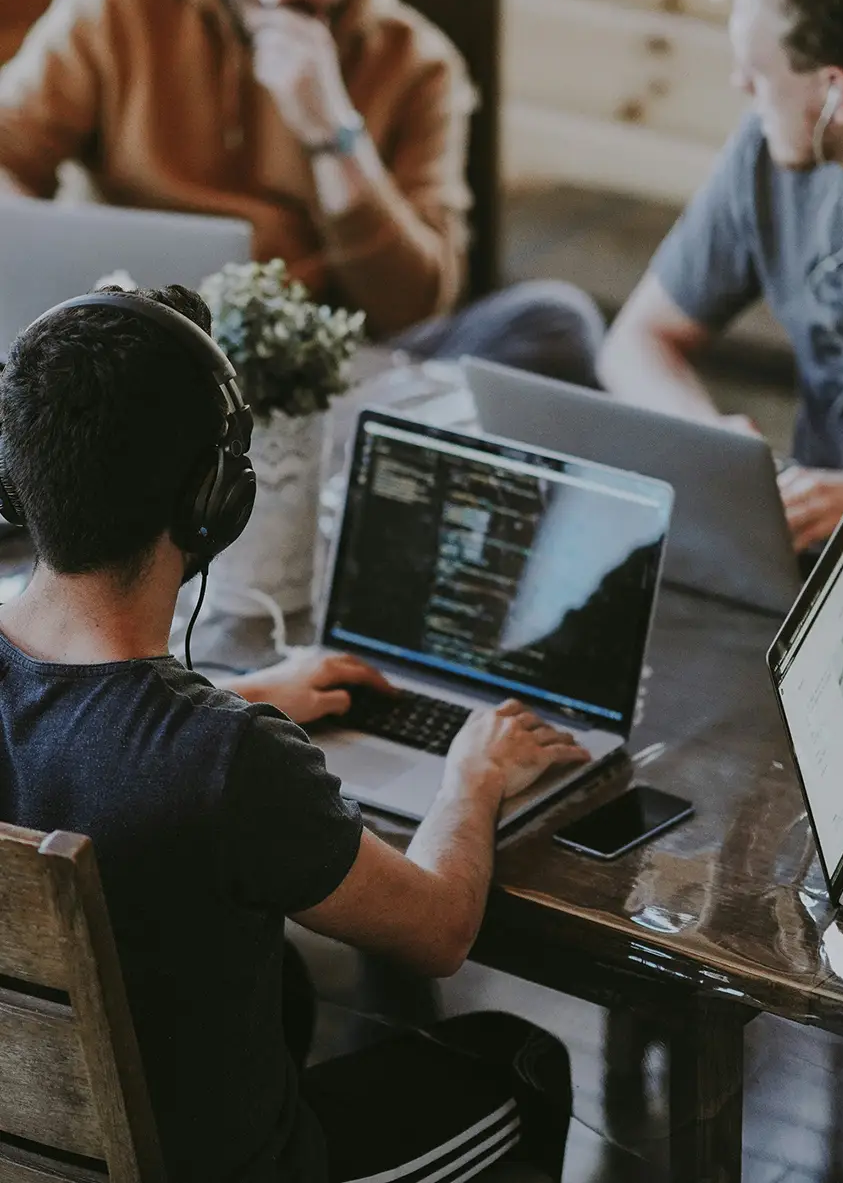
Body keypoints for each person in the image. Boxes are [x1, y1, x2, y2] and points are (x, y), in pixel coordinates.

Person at [0, 282, 591, 1182]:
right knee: (520, 1062)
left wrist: (237, 691)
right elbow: (438, 933)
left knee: (283, 986)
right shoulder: (226, 759)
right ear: (216, 502)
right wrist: (472, 775)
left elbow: (90, 729)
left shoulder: (205, 746)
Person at [0, 0, 602, 388]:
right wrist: (61, 290)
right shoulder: (110, 8)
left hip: (324, 371)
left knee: (557, 322)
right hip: (131, 350)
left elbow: (416, 305)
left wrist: (333, 132)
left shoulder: (420, 65)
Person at [599, 0, 843, 553]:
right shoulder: (766, 155)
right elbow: (638, 341)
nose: (741, 88)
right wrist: (705, 437)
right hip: (821, 552)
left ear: (834, 94)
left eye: (758, 75)